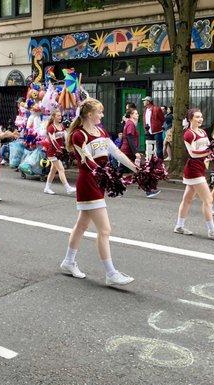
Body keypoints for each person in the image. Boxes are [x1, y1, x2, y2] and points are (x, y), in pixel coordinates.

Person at [59, 98, 138, 286]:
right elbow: (87, 160)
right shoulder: (79, 135)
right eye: (99, 112)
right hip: (89, 182)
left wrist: (136, 169)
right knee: (104, 229)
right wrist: (104, 174)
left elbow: (117, 153)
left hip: (99, 181)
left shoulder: (101, 131)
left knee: (82, 225)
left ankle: (68, 262)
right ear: (89, 114)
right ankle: (111, 273)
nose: (102, 115)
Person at [174, 108, 214, 240]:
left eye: (201, 116)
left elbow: (208, 148)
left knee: (188, 199)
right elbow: (192, 153)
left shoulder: (203, 132)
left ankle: (179, 226)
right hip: (193, 169)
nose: (200, 119)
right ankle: (211, 230)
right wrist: (209, 153)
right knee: (208, 200)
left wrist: (213, 155)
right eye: (197, 117)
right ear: (190, 118)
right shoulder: (188, 134)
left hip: (201, 168)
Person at [44, 109, 76, 195]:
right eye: (58, 116)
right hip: (52, 152)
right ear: (53, 117)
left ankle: (47, 188)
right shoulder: (51, 127)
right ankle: (68, 188)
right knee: (61, 169)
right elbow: (53, 140)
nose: (60, 117)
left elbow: (66, 137)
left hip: (59, 151)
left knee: (53, 171)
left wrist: (69, 147)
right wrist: (59, 149)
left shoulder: (62, 126)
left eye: (60, 115)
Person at [142, 96, 165, 161]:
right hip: (148, 131)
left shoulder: (156, 109)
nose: (143, 102)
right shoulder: (145, 110)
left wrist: (158, 126)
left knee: (159, 148)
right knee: (149, 147)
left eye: (144, 100)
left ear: (148, 102)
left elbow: (162, 119)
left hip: (157, 131)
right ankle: (150, 161)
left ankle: (160, 162)